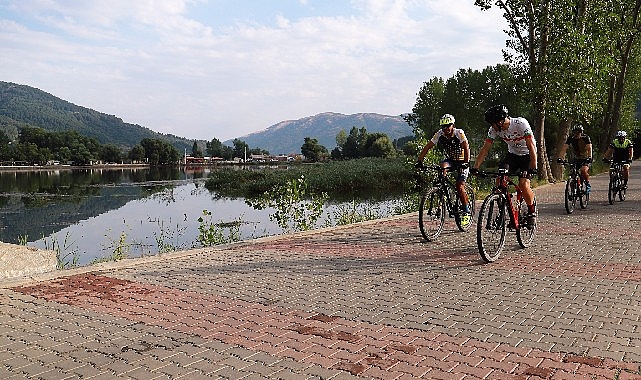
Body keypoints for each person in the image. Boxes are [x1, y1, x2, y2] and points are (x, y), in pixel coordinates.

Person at [472, 105, 538, 227]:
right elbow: (485, 149)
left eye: (493, 123)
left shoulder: (520, 123)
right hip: (512, 155)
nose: (492, 127)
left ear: (500, 121)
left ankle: (531, 212)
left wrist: (533, 167)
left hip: (527, 155)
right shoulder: (494, 130)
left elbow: (530, 145)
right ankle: (503, 211)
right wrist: (476, 167)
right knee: (499, 180)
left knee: (523, 184)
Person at [416, 113, 472, 224]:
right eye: (443, 126)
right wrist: (420, 161)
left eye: (448, 125)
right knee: (442, 167)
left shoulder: (459, 133)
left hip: (462, 161)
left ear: (453, 125)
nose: (446, 128)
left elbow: (466, 148)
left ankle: (466, 211)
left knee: (460, 186)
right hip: (451, 161)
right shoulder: (439, 134)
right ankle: (442, 189)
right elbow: (427, 147)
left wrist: (465, 163)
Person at [556, 125, 593, 193]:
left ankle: (587, 184)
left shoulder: (585, 138)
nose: (576, 134)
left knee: (583, 171)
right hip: (576, 158)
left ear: (581, 132)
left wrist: (590, 157)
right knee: (573, 173)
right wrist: (560, 157)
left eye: (578, 133)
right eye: (575, 133)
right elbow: (564, 148)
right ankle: (573, 190)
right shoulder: (571, 138)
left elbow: (589, 148)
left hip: (585, 158)